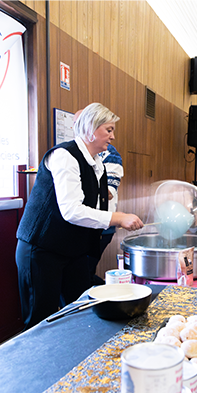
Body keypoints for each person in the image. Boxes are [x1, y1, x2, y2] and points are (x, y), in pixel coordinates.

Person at [16, 103, 143, 329]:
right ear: (91, 129)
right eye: (109, 130)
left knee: (79, 310)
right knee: (40, 320)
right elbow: (72, 211)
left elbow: (94, 205)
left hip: (71, 250)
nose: (113, 137)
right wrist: (118, 218)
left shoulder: (98, 164)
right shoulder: (64, 156)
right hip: (42, 249)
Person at [74, 109, 125, 286]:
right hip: (82, 226)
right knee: (79, 276)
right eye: (109, 130)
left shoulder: (108, 155)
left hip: (101, 226)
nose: (112, 136)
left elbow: (107, 192)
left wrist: (120, 218)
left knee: (84, 273)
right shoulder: (70, 154)